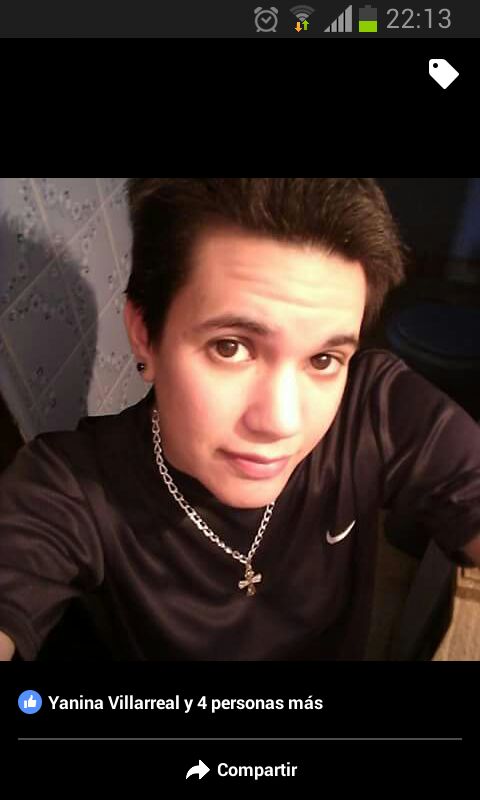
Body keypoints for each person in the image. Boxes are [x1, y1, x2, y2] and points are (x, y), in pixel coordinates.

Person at [0, 178, 479, 662]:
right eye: (230, 347)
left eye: (323, 359)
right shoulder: (71, 488)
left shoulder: (373, 407)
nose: (281, 423)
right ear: (145, 335)